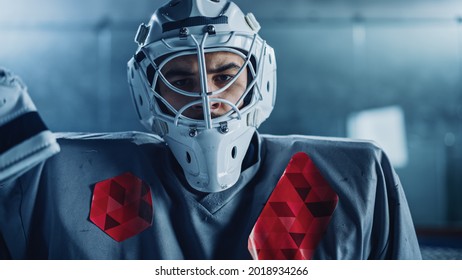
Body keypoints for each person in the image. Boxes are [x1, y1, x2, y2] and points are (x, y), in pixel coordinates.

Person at [0, 0, 421, 259]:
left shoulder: (358, 181)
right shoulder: (56, 180)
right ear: (148, 94)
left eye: (225, 75)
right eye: (182, 81)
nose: (207, 95)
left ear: (261, 78)